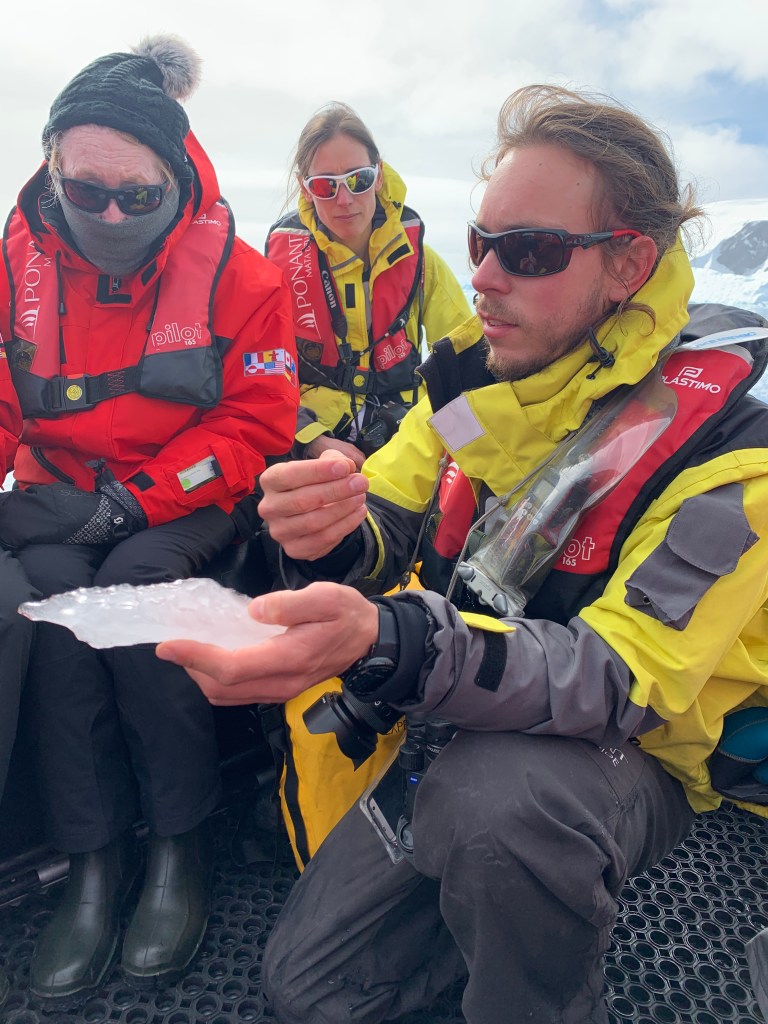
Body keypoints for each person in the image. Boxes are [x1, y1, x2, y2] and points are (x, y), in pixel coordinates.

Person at [157, 84, 768, 1024]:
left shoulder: (732, 454)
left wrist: (392, 641)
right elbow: (389, 515)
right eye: (481, 242)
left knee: (501, 802)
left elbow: (621, 680)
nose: (482, 276)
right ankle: (503, 894)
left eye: (529, 252)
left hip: (630, 750)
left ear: (628, 265)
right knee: (312, 989)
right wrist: (328, 533)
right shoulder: (469, 379)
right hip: (473, 696)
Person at [0, 34, 298, 1002]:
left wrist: (130, 504)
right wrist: (71, 507)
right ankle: (92, 855)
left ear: (175, 178)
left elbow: (256, 423)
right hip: (56, 494)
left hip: (185, 500)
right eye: (88, 192)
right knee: (46, 596)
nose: (111, 214)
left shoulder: (245, 280)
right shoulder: (12, 268)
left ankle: (179, 841)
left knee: (136, 586)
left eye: (137, 195)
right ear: (52, 171)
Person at [265, 101, 470, 469]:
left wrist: (424, 443)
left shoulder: (424, 265)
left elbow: (466, 365)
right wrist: (311, 440)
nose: (344, 200)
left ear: (378, 175)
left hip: (407, 444)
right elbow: (257, 375)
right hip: (308, 447)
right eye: (325, 186)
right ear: (305, 189)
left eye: (358, 179)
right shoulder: (278, 271)